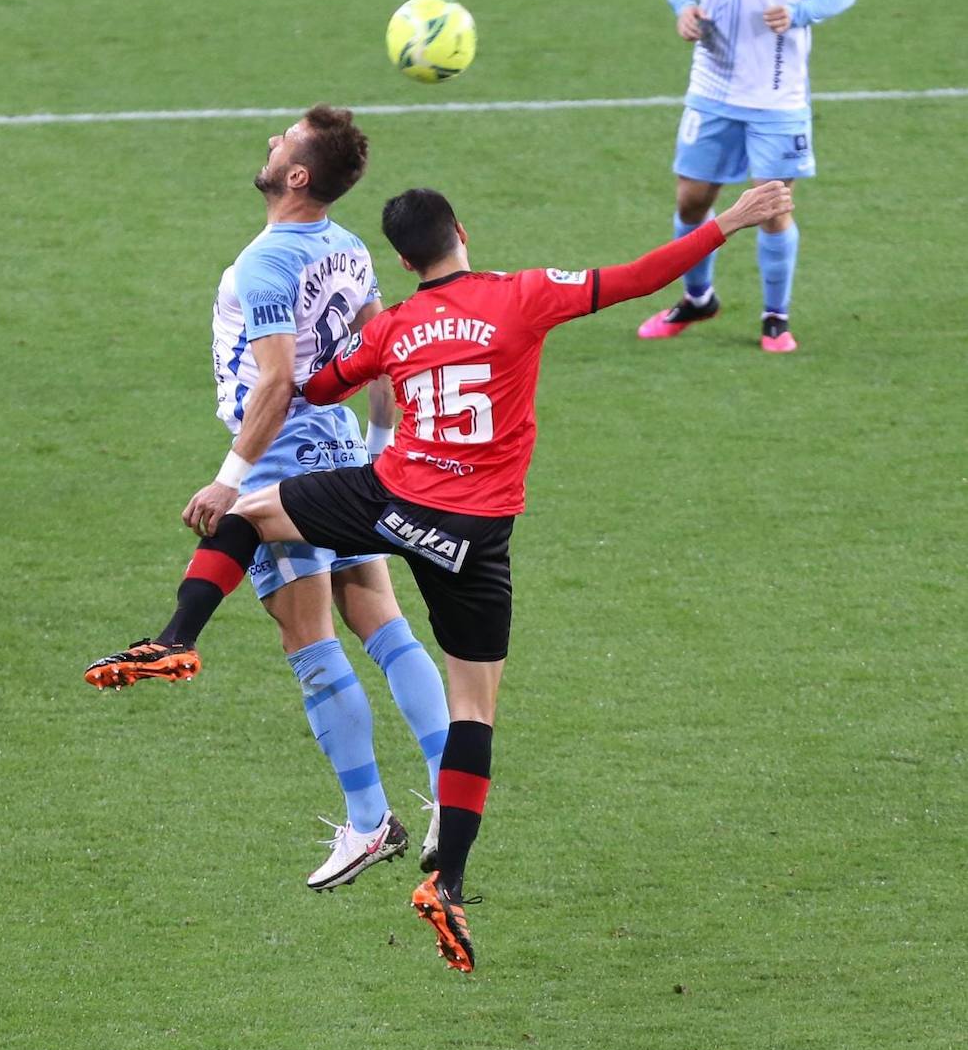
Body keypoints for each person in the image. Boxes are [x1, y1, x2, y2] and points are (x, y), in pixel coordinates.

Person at [157, 179, 793, 971]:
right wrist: (728, 221)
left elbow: (317, 387)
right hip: (473, 537)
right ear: (461, 231)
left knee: (250, 512)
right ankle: (446, 880)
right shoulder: (523, 296)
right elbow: (637, 276)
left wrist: (305, 348)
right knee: (473, 709)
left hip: (389, 501)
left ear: (400, 257)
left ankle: (175, 635)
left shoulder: (393, 324)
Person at [84, 106, 449, 891]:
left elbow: (277, 382)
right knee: (379, 622)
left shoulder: (266, 265)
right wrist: (378, 455)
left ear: (296, 176)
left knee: (310, 644)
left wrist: (228, 474)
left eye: (282, 139)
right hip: (344, 448)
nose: (271, 140)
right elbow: (381, 359)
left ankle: (367, 820)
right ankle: (450, 793)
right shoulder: (348, 249)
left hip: (280, 459)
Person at [638, 0, 856, 353]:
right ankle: (698, 299)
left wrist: (801, 12)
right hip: (712, 86)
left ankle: (775, 317)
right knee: (690, 200)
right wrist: (682, 8)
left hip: (777, 94)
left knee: (772, 206)